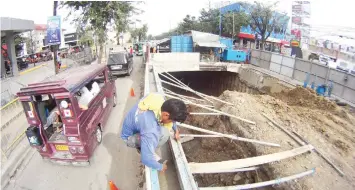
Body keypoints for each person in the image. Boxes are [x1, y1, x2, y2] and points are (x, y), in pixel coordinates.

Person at [121, 93, 188, 172]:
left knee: (159, 129)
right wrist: (160, 167)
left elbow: (169, 117)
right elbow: (146, 159)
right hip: (129, 138)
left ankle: (147, 144)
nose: (172, 122)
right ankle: (142, 148)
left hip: (131, 125)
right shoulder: (150, 129)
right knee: (164, 133)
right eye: (173, 120)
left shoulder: (157, 98)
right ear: (166, 115)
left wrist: (176, 130)